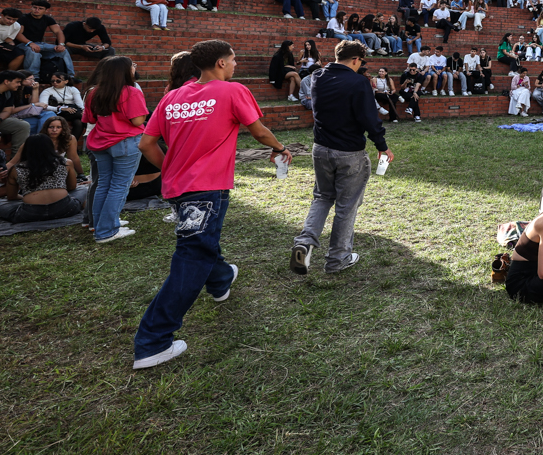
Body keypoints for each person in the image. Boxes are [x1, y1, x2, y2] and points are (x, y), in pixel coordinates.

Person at [132, 39, 293, 370]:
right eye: (233, 60)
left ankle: (221, 281)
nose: (235, 65)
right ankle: (152, 342)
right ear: (221, 63)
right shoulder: (232, 90)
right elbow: (259, 132)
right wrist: (279, 147)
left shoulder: (172, 97)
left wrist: (172, 170)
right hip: (205, 189)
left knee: (202, 243)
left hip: (179, 189)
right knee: (192, 256)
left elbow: (146, 143)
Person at [291, 41, 392, 275]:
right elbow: (369, 118)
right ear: (356, 60)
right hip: (349, 153)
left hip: (321, 148)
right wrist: (382, 145)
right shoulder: (358, 82)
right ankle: (338, 258)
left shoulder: (318, 76)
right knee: (346, 206)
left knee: (322, 197)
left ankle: (304, 243)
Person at [82, 55, 149, 243]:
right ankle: (107, 230)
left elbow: (91, 120)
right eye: (132, 66)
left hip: (100, 142)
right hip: (125, 143)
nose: (134, 68)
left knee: (104, 184)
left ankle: (100, 225)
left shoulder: (93, 92)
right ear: (124, 71)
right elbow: (137, 120)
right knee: (119, 186)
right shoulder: (131, 91)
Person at [0, 132, 83, 223]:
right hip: (66, 208)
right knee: (83, 190)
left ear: (26, 149)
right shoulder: (66, 162)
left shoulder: (16, 169)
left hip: (30, 213)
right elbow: (72, 187)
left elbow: (11, 196)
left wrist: (27, 197)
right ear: (50, 147)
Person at [17, 0, 76, 82]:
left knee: (63, 50)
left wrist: (61, 44)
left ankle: (70, 77)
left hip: (40, 44)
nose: (36, 10)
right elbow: (18, 34)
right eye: (34, 7)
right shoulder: (23, 18)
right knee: (34, 52)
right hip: (24, 44)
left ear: (46, 10)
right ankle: (34, 78)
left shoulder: (47, 19)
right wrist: (30, 43)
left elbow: (58, 32)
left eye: (40, 8)